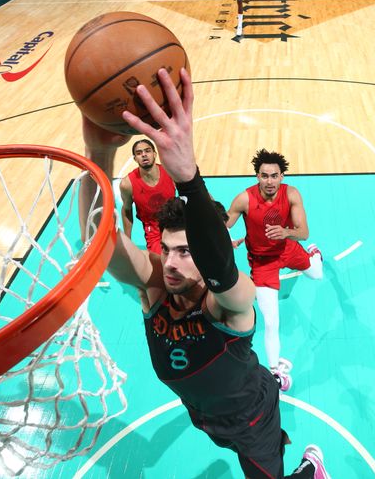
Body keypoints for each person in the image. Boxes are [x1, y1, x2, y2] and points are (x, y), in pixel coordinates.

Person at [78, 67, 330, 479]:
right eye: (169, 250)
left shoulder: (229, 305)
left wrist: (188, 180)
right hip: (204, 416)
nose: (172, 262)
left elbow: (222, 272)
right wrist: (97, 153)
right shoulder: (156, 286)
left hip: (251, 417)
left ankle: (311, 469)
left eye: (186, 252)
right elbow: (98, 241)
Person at [225, 149, 323, 392]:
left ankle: (315, 255)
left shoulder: (291, 194)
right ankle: (275, 372)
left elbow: (303, 231)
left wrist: (286, 232)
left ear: (282, 176)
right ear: (257, 176)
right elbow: (223, 224)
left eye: (274, 176)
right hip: (262, 262)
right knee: (270, 322)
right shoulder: (244, 199)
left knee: (317, 274)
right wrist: (226, 239)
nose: (269, 181)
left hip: (288, 248)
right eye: (264, 176)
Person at [118, 138, 176, 254]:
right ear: (135, 159)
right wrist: (128, 241)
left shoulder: (170, 171)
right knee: (161, 261)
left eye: (147, 151)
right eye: (139, 153)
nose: (144, 155)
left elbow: (191, 192)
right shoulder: (127, 184)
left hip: (175, 219)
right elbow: (127, 210)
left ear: (154, 154)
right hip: (153, 228)